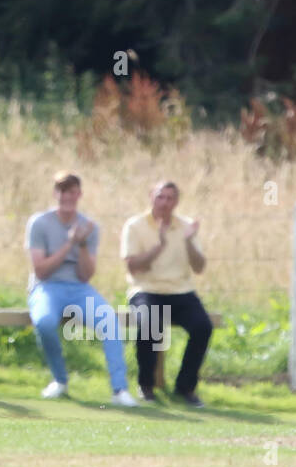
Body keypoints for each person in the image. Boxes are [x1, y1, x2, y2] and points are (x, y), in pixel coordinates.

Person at [25, 172, 138, 406]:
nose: (67, 196)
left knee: (109, 321)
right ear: (55, 193)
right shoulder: (39, 223)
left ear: (79, 194)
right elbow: (41, 271)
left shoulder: (89, 227)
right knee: (44, 323)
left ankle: (119, 390)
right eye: (62, 191)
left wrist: (83, 244)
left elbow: (86, 275)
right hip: (46, 287)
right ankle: (60, 381)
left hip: (78, 288)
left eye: (72, 191)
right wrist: (69, 244)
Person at [120, 180, 211, 406]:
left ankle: (185, 387)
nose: (164, 203)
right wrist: (158, 246)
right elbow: (132, 267)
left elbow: (199, 267)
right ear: (151, 197)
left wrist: (189, 241)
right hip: (146, 289)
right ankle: (146, 385)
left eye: (170, 198)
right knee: (150, 323)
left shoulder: (186, 226)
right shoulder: (135, 225)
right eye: (160, 197)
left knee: (203, 326)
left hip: (180, 291)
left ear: (177, 201)